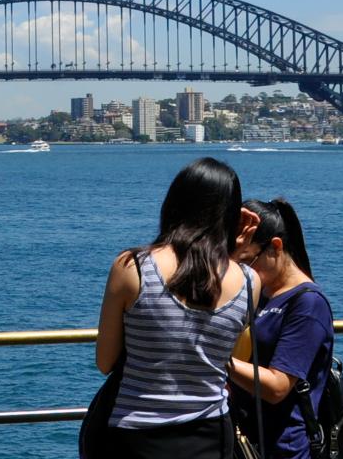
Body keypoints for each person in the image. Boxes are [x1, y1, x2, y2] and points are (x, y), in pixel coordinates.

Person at [94, 157, 261, 458]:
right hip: (211, 434)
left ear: (173, 203)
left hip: (135, 436)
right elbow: (227, 357)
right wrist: (232, 251)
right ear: (232, 216)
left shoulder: (131, 267)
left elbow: (105, 361)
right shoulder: (249, 281)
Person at [228, 198, 334, 459]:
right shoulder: (260, 292)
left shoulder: (308, 304)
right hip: (245, 439)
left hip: (283, 447)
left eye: (247, 262)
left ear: (275, 247)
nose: (242, 272)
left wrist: (215, 359)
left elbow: (277, 387)